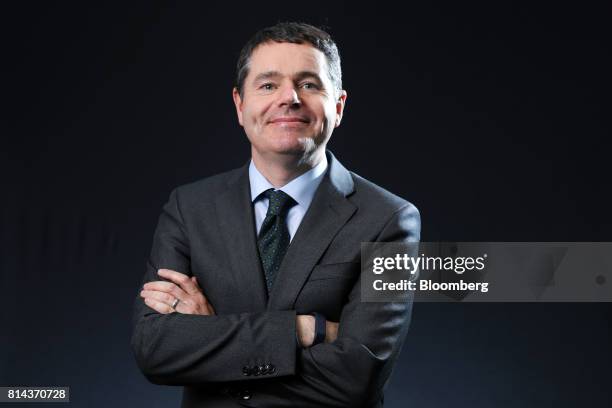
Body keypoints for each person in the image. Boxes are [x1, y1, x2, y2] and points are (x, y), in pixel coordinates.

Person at [131, 22, 420, 407]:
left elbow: (357, 379)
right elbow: (155, 349)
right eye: (268, 85)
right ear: (239, 104)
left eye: (309, 84)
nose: (290, 98)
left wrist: (211, 339)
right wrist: (304, 330)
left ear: (338, 106)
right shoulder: (189, 207)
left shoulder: (390, 219)